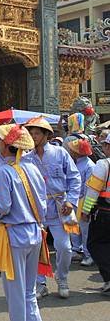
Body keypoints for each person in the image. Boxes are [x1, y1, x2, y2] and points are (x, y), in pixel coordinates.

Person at [0, 124, 46, 321]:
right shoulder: (34, 169)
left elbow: (3, 208)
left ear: (6, 145)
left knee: (16, 294)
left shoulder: (5, 171)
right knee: (29, 291)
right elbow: (43, 205)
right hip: (35, 233)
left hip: (15, 235)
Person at [24, 116, 81, 299]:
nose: (33, 136)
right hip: (35, 208)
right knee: (36, 248)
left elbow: (74, 178)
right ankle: (40, 283)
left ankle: (62, 277)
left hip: (59, 206)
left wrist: (70, 201)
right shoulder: (25, 158)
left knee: (65, 247)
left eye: (37, 133)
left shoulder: (60, 153)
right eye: (31, 133)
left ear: (47, 135)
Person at [81, 133, 110, 296]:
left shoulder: (103, 164)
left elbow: (92, 192)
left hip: (105, 213)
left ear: (107, 147)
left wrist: (85, 211)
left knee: (95, 244)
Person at [63, 136, 95, 266]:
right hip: (73, 199)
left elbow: (89, 189)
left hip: (83, 200)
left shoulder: (89, 166)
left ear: (77, 152)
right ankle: (76, 249)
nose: (70, 151)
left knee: (85, 229)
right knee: (72, 226)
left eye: (72, 149)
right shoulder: (75, 162)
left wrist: (87, 208)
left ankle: (89, 255)